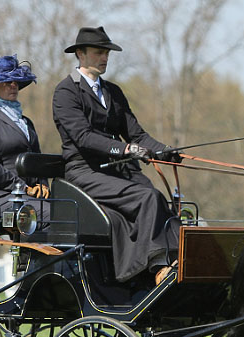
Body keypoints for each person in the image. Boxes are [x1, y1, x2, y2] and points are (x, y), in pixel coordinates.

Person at [52, 26, 181, 285]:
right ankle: (156, 265)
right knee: (147, 197)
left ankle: (178, 259)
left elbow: (137, 134)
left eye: (107, 53)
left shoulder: (114, 92)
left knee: (164, 204)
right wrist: (123, 149)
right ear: (81, 54)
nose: (105, 58)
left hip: (117, 170)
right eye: (99, 52)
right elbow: (83, 137)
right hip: (84, 172)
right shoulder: (66, 92)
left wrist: (164, 151)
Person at [0, 55, 49, 222]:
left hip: (31, 199)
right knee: (56, 215)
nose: (14, 85)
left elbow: (38, 162)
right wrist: (25, 188)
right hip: (0, 198)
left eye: (16, 81)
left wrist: (43, 186)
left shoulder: (26, 122)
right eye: (7, 82)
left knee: (72, 210)